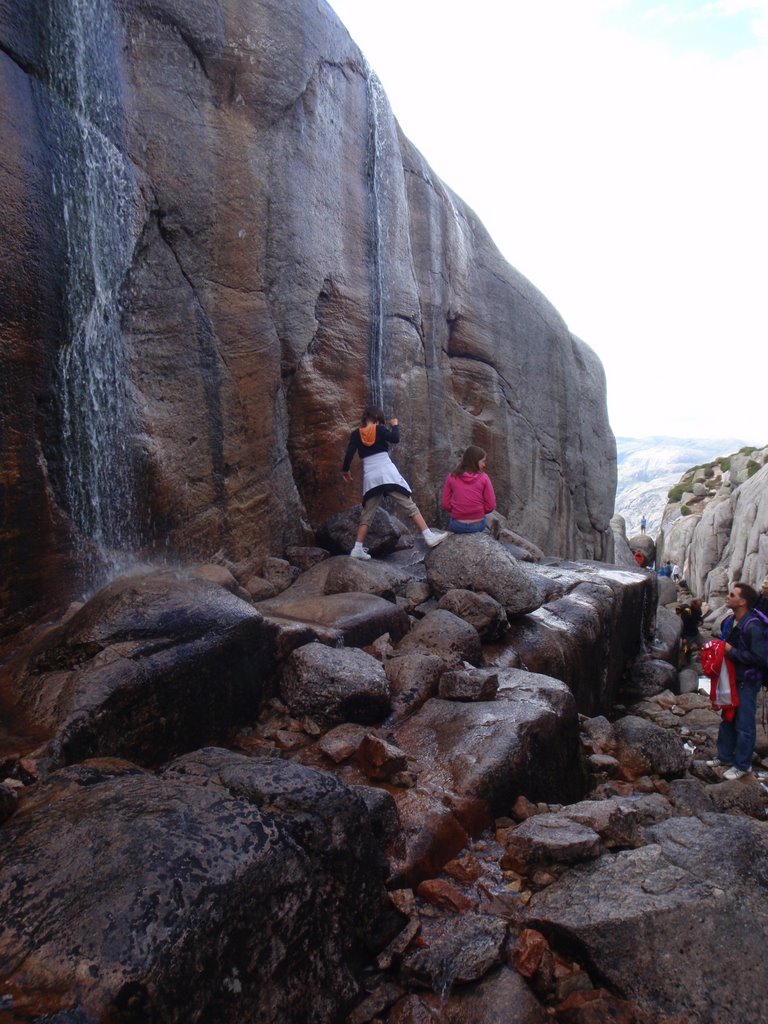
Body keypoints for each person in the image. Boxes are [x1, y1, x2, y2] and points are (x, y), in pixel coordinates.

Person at [342, 407, 447, 559]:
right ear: (377, 418)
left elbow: (349, 454)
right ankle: (428, 535)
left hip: (371, 477)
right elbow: (395, 438)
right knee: (409, 505)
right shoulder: (380, 429)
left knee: (367, 514)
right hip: (387, 473)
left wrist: (345, 470)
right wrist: (395, 426)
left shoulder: (356, 434)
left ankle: (357, 548)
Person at [707, 582, 767, 779]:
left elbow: (760, 658)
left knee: (744, 723)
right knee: (728, 718)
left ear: (743, 602)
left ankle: (742, 765)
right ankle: (724, 756)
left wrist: (731, 651)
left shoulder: (753, 626)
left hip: (747, 681)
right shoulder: (731, 621)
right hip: (732, 678)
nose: (728, 596)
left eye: (732, 595)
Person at [441, 445, 496, 533]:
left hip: (457, 525)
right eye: (483, 461)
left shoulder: (452, 476)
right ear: (475, 461)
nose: (484, 465)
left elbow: (445, 504)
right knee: (487, 521)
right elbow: (491, 505)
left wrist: (458, 510)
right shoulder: (484, 478)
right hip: (478, 525)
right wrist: (478, 511)